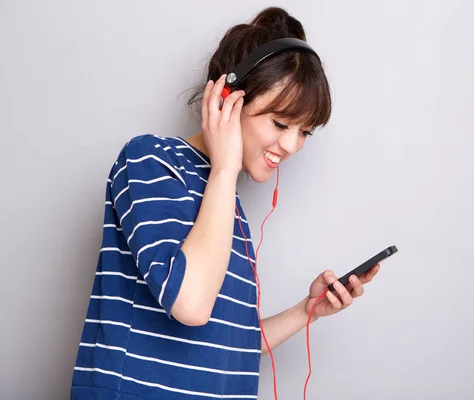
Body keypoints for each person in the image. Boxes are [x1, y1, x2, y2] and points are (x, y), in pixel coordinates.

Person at [70, 6, 380, 400]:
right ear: (226, 101)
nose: (291, 145)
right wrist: (224, 169)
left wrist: (307, 310)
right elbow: (191, 305)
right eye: (281, 123)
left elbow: (229, 349)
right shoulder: (152, 160)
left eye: (305, 132)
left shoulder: (228, 208)